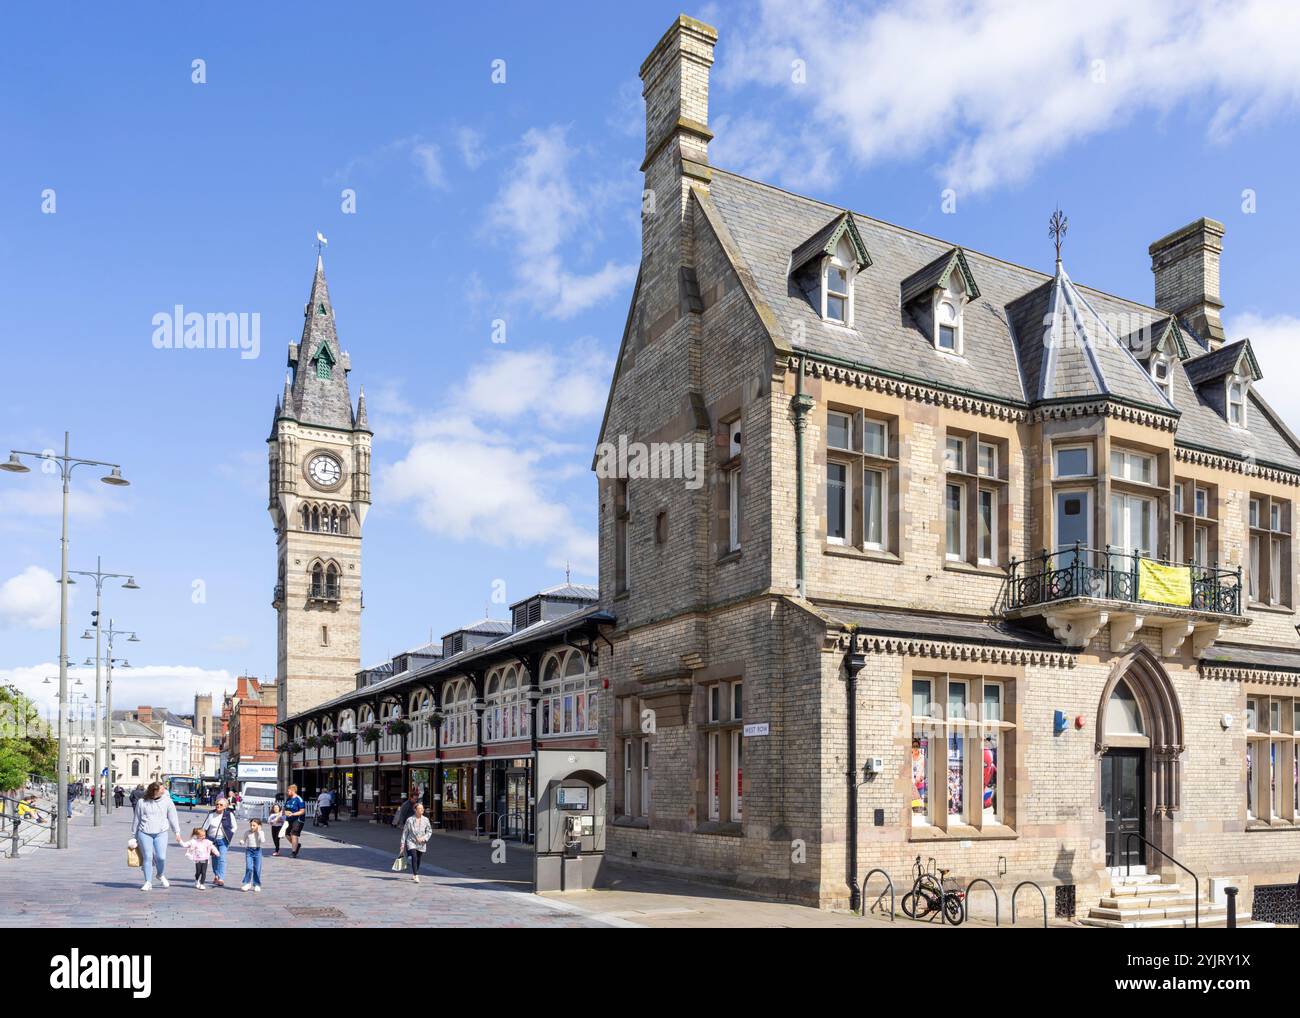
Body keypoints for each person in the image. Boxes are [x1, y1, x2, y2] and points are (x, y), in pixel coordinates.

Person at [132, 781, 183, 891]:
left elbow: (173, 817)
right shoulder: (142, 802)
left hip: (161, 832)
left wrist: (177, 832)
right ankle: (148, 882)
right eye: (162, 789)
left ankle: (160, 874)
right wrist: (134, 836)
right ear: (154, 791)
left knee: (161, 857)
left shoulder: (167, 801)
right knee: (148, 857)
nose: (164, 790)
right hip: (144, 832)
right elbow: (137, 819)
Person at [200, 797, 238, 887]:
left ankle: (221, 878)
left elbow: (235, 826)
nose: (218, 806)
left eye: (221, 805)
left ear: (225, 806)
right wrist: (202, 838)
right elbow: (205, 827)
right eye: (217, 804)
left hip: (223, 840)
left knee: (222, 858)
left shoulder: (229, 814)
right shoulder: (211, 814)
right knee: (214, 859)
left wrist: (229, 834)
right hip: (211, 840)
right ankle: (216, 875)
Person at [399, 802, 432, 883]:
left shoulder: (426, 820)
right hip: (411, 841)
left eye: (422, 808)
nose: (422, 810)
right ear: (415, 810)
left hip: (421, 842)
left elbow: (429, 831)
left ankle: (415, 873)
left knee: (418, 858)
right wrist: (402, 844)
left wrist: (424, 838)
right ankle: (416, 874)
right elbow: (405, 832)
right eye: (420, 808)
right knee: (414, 856)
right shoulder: (410, 820)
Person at [240, 818, 267, 892]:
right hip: (249, 851)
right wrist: (242, 841)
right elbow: (244, 839)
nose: (252, 827)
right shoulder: (247, 832)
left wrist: (259, 832)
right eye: (251, 825)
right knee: (249, 867)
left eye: (254, 825)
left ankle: (257, 884)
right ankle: (247, 883)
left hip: (257, 851)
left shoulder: (261, 832)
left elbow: (263, 841)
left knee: (257, 868)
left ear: (258, 826)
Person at [283, 784, 306, 857]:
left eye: (288, 791)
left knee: (294, 834)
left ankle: (293, 852)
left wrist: (293, 814)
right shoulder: (288, 799)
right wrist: (284, 813)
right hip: (289, 819)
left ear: (293, 790)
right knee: (287, 834)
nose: (287, 792)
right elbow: (285, 809)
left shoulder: (299, 799)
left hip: (298, 820)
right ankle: (297, 845)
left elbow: (302, 811)